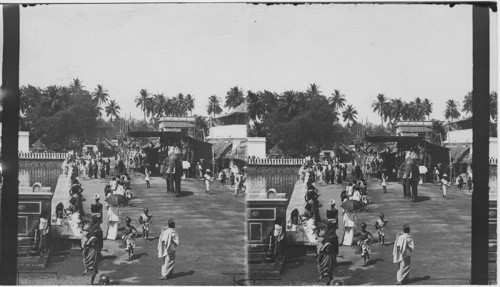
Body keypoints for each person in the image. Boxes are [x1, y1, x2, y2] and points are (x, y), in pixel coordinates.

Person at [83, 215, 103, 285]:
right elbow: (97, 243)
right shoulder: (97, 230)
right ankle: (91, 283)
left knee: (93, 265)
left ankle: (91, 280)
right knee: (94, 267)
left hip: (91, 249)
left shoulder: (93, 228)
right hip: (94, 250)